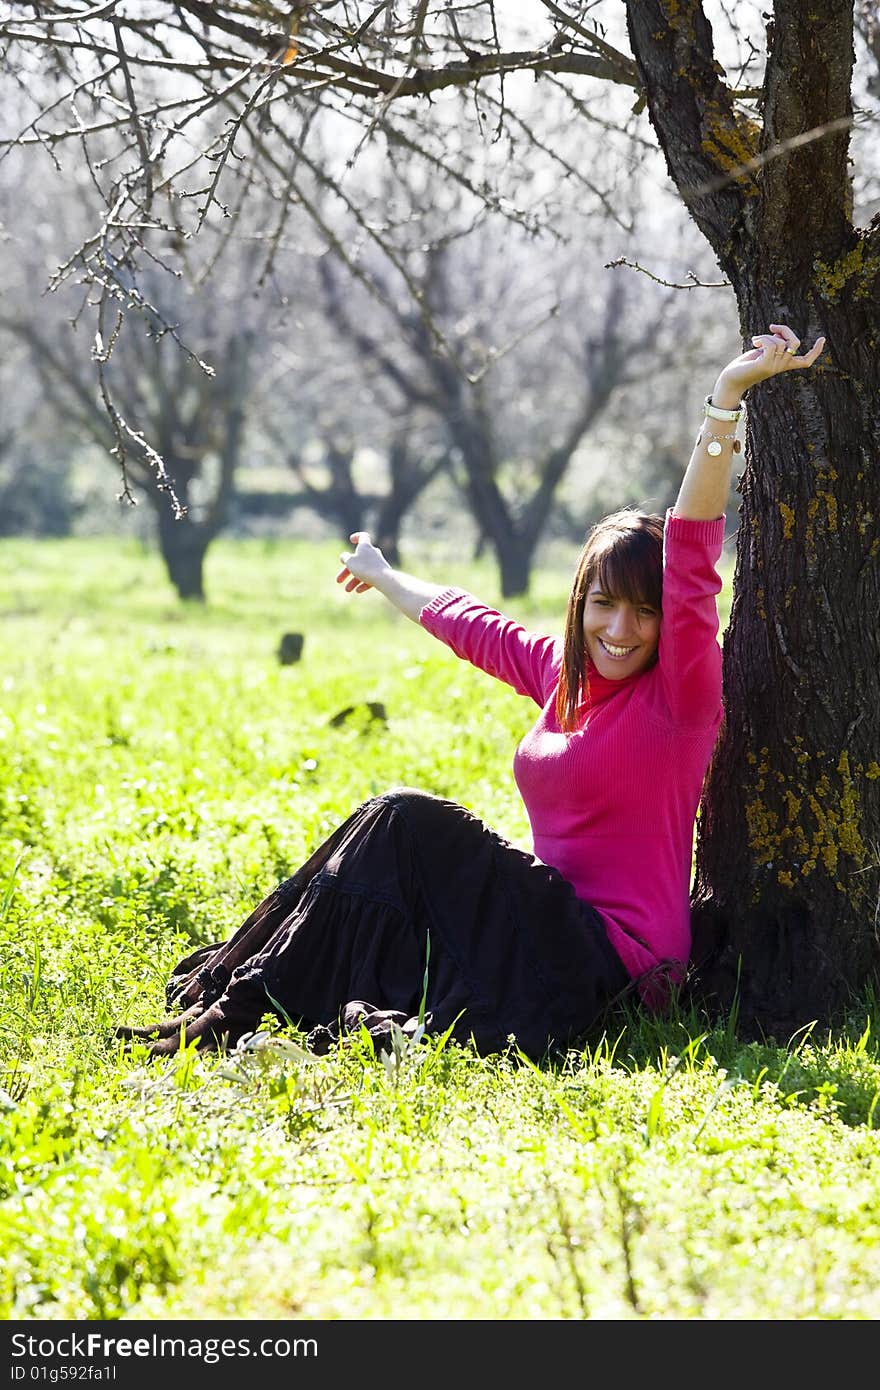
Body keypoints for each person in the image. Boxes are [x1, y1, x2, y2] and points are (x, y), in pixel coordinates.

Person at [116, 324, 824, 1060]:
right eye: (604, 604)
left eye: (644, 612)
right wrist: (385, 575)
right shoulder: (564, 676)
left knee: (406, 818)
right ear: (580, 602)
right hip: (542, 932)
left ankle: (232, 1011)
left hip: (612, 961)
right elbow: (472, 623)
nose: (621, 629)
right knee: (390, 835)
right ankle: (239, 992)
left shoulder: (679, 698)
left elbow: (692, 555)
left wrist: (726, 399)